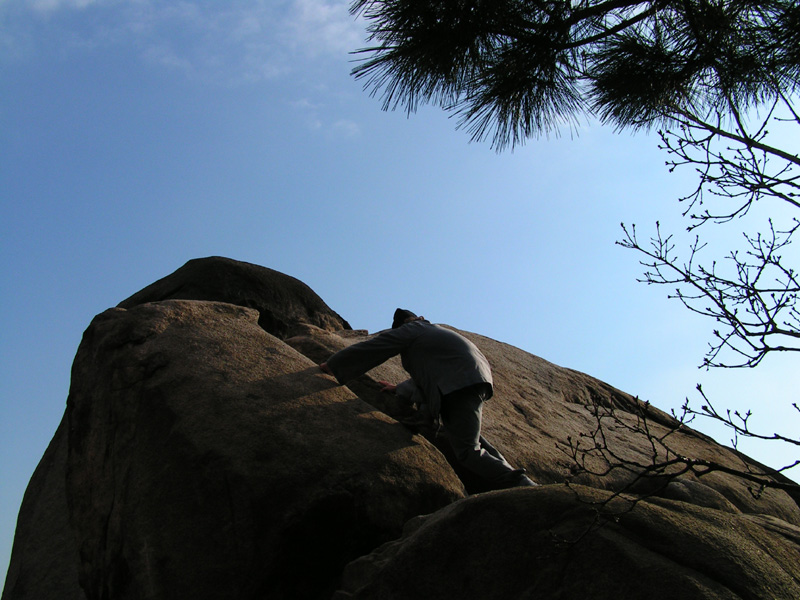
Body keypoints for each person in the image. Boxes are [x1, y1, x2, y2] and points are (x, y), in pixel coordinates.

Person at [320, 308, 537, 490]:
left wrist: (335, 365)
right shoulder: (434, 334)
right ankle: (518, 478)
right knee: (468, 436)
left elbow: (376, 347)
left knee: (467, 451)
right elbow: (428, 376)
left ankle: (522, 486)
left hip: (458, 384)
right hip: (471, 380)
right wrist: (398, 388)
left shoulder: (414, 329)